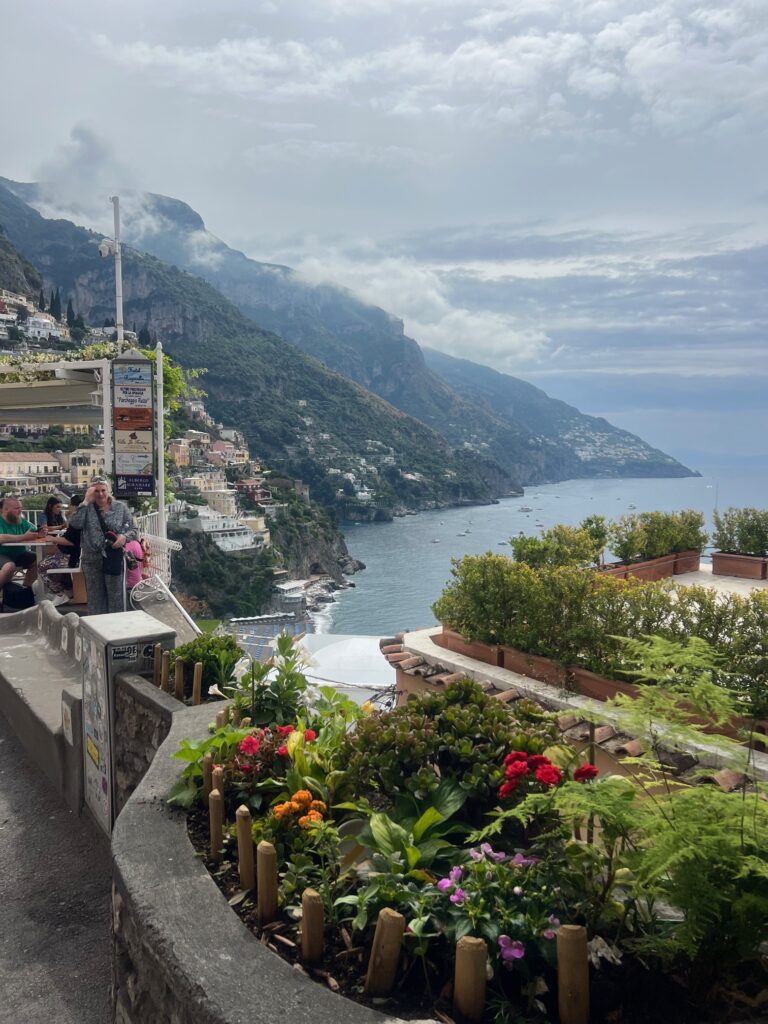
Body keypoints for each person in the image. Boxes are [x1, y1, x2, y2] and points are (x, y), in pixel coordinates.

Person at [68, 478, 137, 614]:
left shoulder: (120, 507)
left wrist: (124, 537)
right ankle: (98, 628)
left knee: (116, 596)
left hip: (113, 557)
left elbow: (133, 529)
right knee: (95, 598)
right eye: (96, 491)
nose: (100, 494)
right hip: (91, 559)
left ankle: (115, 629)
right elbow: (75, 524)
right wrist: (86, 501)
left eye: (103, 490)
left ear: (109, 491)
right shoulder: (86, 508)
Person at [38, 495, 84, 606]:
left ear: (74, 506)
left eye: (70, 505)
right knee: (56, 558)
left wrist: (52, 538)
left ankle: (59, 593)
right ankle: (68, 589)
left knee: (42, 566)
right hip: (81, 555)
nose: (67, 508)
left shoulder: (76, 520)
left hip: (74, 557)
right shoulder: (86, 518)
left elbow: (70, 541)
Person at [0, 496, 47, 591]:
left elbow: (33, 532)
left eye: (21, 508)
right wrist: (24, 537)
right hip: (2, 554)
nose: (20, 511)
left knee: (41, 560)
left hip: (19, 554)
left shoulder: (20, 521)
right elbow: (1, 538)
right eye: (17, 508)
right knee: (9, 566)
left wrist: (39, 534)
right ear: (6, 509)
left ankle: (25, 589)